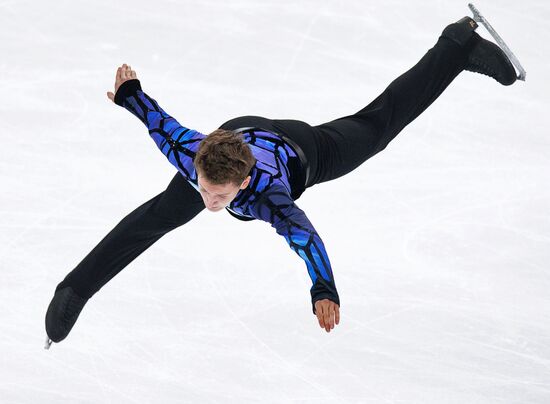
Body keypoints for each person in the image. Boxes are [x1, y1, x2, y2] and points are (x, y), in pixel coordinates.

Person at [45, 15, 518, 345]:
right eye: (207, 189)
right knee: (160, 214)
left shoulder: (271, 197)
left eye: (220, 195)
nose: (211, 200)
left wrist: (323, 290)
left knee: (376, 129)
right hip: (237, 132)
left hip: (305, 150)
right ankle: (75, 288)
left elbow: (307, 239)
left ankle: (456, 48)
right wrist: (131, 94)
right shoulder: (193, 158)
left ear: (243, 183)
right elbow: (159, 122)